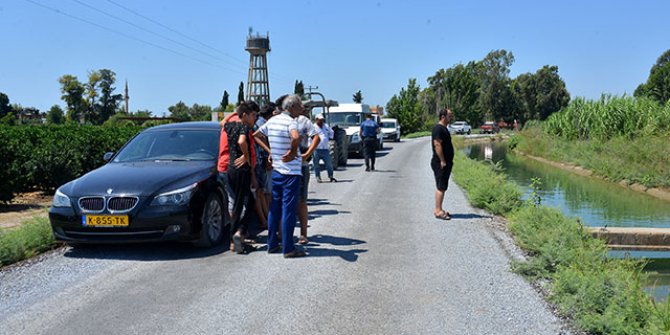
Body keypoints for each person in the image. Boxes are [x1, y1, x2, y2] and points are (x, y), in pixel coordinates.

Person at [253, 94, 306, 258]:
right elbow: (296, 137)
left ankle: (272, 243)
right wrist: (291, 152)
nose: (302, 109)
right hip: (290, 172)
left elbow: (256, 135)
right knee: (288, 209)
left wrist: (270, 151)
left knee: (275, 208)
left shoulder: (272, 121)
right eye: (299, 106)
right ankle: (289, 248)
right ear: (291, 107)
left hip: (276, 171)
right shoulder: (291, 122)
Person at [217, 101, 258, 253]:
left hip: (230, 168)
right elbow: (242, 141)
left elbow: (222, 122)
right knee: (239, 204)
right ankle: (236, 235)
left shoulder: (228, 126)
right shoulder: (244, 127)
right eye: (253, 115)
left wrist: (233, 114)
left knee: (240, 202)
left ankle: (237, 235)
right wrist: (246, 156)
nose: (255, 118)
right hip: (242, 169)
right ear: (245, 115)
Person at [295, 108, 320, 245]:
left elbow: (316, 137)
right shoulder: (280, 121)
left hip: (301, 166)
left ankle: (303, 234)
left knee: (301, 201)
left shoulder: (304, 121)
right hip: (283, 167)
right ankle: (282, 234)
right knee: (283, 202)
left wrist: (307, 154)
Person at [431, 108, 454, 220]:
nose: (451, 118)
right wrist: (442, 160)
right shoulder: (438, 129)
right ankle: (438, 211)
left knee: (442, 186)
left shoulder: (443, 128)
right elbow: (437, 145)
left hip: (445, 162)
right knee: (441, 186)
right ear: (443, 117)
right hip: (440, 163)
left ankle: (439, 208)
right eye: (450, 116)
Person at [312, 113, 337, 183]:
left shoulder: (325, 126)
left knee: (329, 164)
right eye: (320, 120)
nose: (321, 122)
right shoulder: (313, 127)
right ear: (316, 120)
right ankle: (318, 177)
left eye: (322, 120)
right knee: (316, 164)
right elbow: (310, 137)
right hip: (316, 149)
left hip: (325, 149)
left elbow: (331, 132)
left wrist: (330, 138)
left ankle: (331, 176)